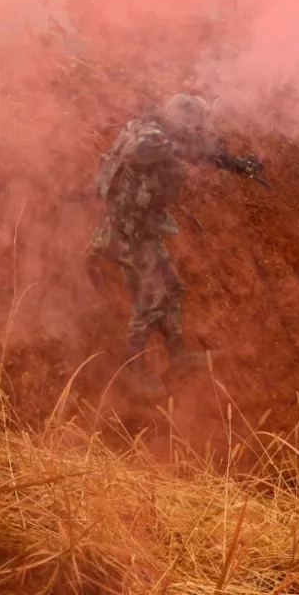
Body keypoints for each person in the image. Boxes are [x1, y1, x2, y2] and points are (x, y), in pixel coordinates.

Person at [90, 94, 266, 399]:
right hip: (125, 234)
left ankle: (179, 357)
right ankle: (136, 374)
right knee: (150, 300)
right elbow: (137, 151)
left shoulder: (160, 135)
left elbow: (194, 152)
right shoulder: (146, 134)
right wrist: (179, 146)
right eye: (193, 127)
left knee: (171, 287)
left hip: (142, 231)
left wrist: (232, 163)